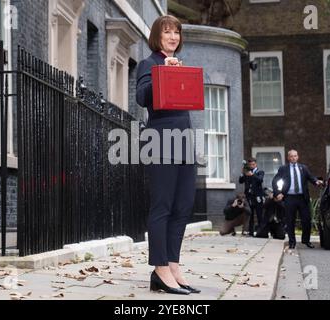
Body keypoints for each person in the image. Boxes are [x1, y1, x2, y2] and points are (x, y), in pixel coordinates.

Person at [136, 15, 199, 295]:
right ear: (157, 36)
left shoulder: (181, 65)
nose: (173, 36)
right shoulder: (149, 64)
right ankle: (159, 268)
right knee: (162, 206)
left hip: (184, 141)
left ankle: (173, 265)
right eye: (167, 32)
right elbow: (142, 97)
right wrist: (164, 70)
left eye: (176, 32)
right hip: (161, 141)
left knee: (183, 205)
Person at [272, 150, 323, 249]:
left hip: (302, 198)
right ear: (288, 158)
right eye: (291, 156)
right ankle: (292, 242)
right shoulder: (283, 168)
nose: (293, 158)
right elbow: (275, 180)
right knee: (290, 220)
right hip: (289, 197)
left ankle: (306, 240)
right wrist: (277, 193)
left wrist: (316, 182)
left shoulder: (303, 168)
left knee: (306, 220)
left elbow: (310, 177)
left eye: (295, 156)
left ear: (298, 157)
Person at [238, 157, 265, 236]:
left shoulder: (260, 172)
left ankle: (261, 232)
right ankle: (251, 232)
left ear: (256, 164)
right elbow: (240, 181)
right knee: (250, 214)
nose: (251, 166)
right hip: (249, 196)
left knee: (259, 214)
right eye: (250, 165)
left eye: (253, 164)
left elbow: (260, 180)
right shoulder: (247, 172)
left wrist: (252, 175)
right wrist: (242, 172)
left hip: (257, 196)